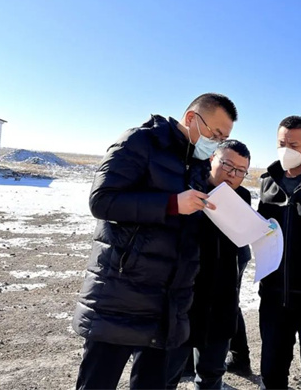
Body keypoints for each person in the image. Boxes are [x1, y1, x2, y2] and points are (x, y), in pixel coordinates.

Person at [72, 93, 238, 390]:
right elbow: (102, 200)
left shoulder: (198, 165)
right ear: (191, 118)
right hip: (122, 294)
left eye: (222, 138)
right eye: (215, 134)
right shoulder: (140, 142)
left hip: (169, 305)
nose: (216, 142)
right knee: (97, 382)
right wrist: (171, 204)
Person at [166, 140, 252, 390]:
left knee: (212, 375)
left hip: (221, 301)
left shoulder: (242, 197)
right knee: (167, 375)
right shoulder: (187, 189)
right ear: (212, 158)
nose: (232, 175)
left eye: (241, 171)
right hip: (184, 299)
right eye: (227, 165)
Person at [257, 116, 301, 390]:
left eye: (293, 145)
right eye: (281, 144)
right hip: (273, 296)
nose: (285, 150)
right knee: (271, 373)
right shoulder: (267, 182)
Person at [224, 243, 252, 376]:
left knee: (229, 303)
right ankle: (240, 358)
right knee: (230, 303)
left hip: (229, 254)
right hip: (235, 251)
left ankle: (240, 358)